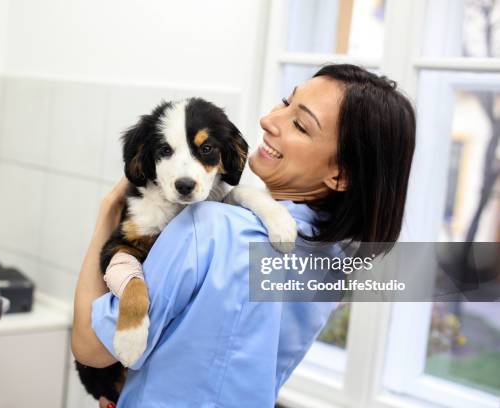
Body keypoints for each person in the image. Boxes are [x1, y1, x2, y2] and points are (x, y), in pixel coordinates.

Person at [71, 64, 416, 407]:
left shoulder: (207, 230)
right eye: (285, 102)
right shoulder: (332, 257)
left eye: (299, 124)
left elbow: (90, 348)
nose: (269, 120)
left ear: (341, 175)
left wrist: (107, 211)